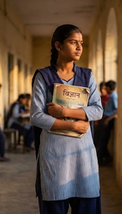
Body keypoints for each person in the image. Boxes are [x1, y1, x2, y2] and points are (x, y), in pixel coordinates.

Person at [30, 24, 103, 214]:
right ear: (58, 45)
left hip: (83, 157)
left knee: (87, 202)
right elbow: (36, 116)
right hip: (55, 158)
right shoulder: (43, 77)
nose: (79, 47)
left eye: (81, 43)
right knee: (55, 202)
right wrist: (71, 125)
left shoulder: (87, 76)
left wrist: (64, 112)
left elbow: (97, 110)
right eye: (73, 42)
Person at [97, 80, 117, 166]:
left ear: (108, 88)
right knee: (101, 140)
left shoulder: (113, 96)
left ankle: (100, 161)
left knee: (103, 141)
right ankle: (103, 158)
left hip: (108, 120)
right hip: (105, 118)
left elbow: (117, 110)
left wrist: (108, 120)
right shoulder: (112, 96)